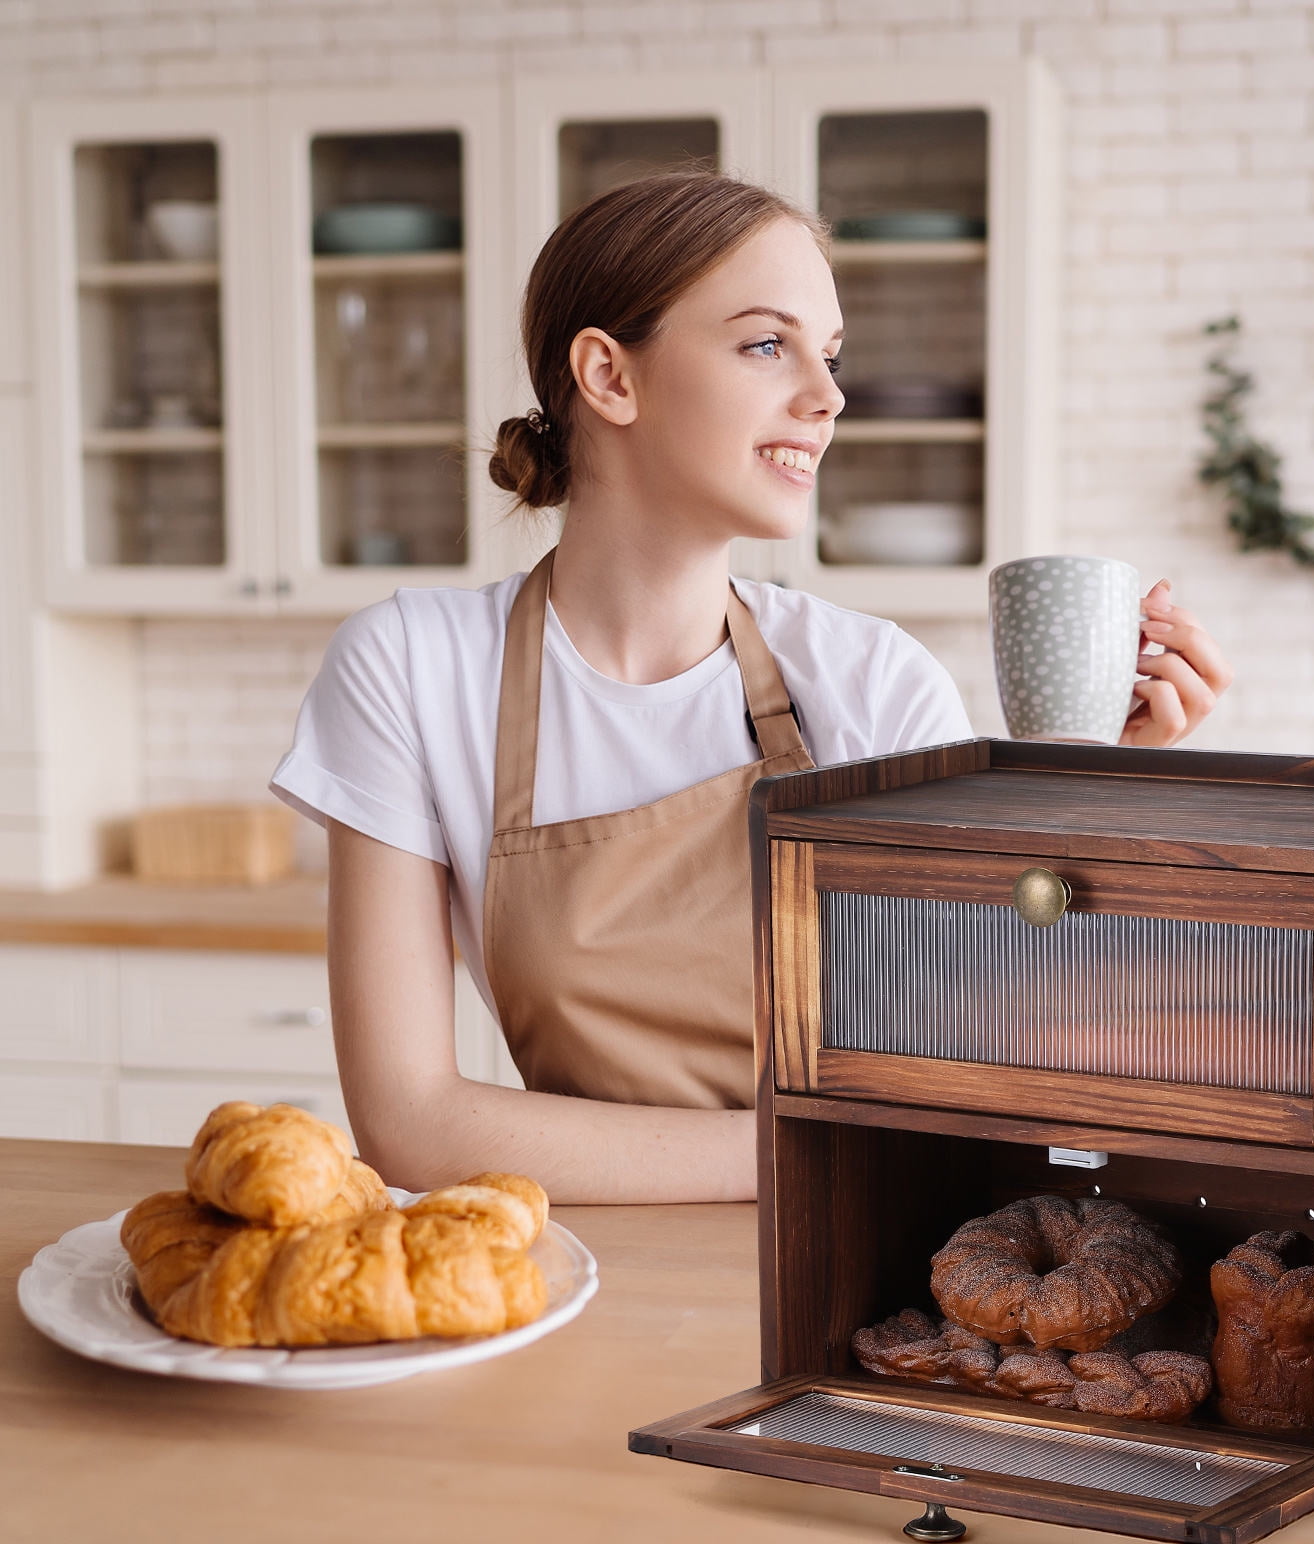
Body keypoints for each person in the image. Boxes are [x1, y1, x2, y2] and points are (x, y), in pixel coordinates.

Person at [271, 173, 1232, 1204]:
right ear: (609, 375)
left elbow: (996, 1046)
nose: (827, 395)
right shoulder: (414, 668)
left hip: (868, 1256)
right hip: (595, 1272)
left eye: (831, 353)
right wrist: (831, 1143)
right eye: (768, 344)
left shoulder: (870, 681)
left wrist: (1091, 785)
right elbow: (412, 1126)